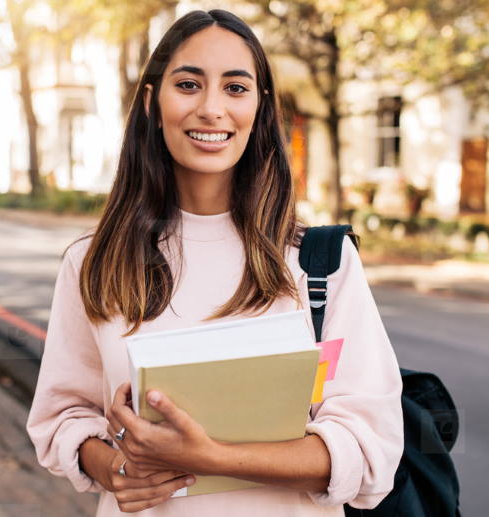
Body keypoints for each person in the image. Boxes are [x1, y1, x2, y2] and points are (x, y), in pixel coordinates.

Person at [26, 9, 403, 516]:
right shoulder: (93, 263)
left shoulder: (321, 264)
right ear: (151, 103)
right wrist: (112, 470)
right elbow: (63, 416)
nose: (211, 109)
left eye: (235, 88)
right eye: (188, 84)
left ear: (260, 107)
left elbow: (370, 449)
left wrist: (212, 457)